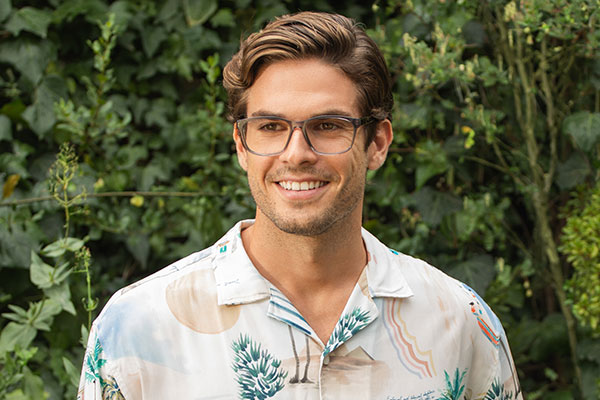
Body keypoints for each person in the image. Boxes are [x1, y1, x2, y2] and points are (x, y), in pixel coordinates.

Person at [77, 11, 522, 400]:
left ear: (378, 143)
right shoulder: (136, 327)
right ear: (241, 144)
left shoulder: (461, 324)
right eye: (270, 126)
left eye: (327, 125)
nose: (296, 154)